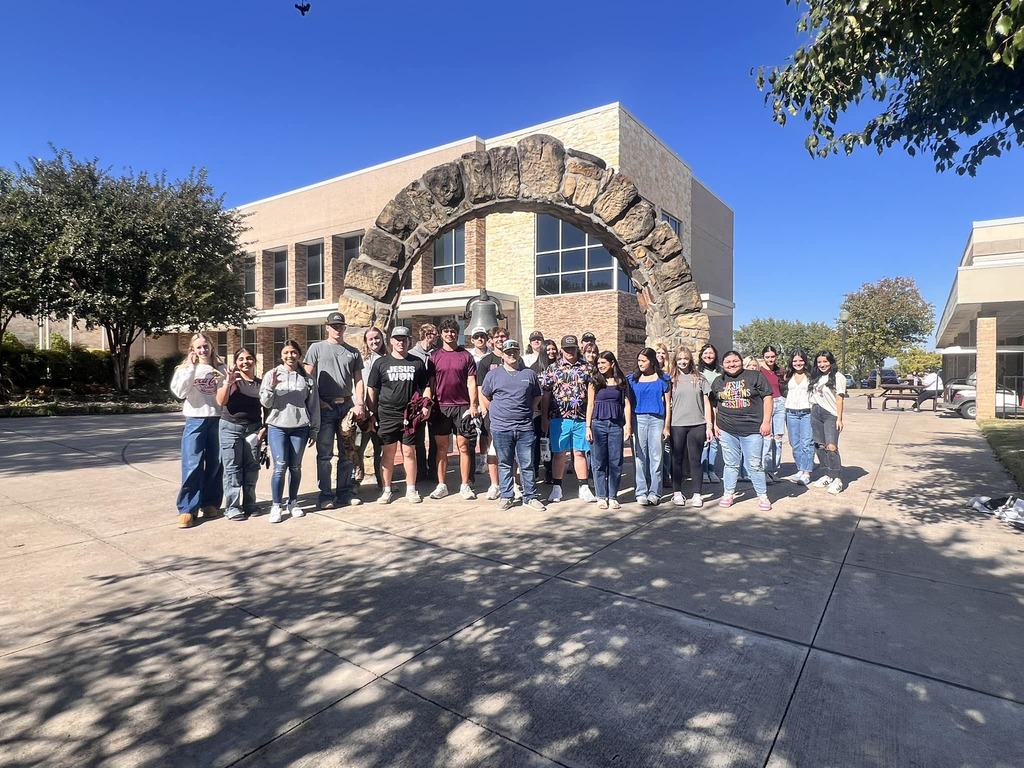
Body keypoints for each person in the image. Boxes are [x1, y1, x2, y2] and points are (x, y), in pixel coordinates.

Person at [303, 312, 365, 509]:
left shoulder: (353, 352)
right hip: (325, 408)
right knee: (325, 455)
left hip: (346, 407)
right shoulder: (316, 348)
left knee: (347, 453)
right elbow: (307, 378)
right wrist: (317, 401)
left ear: (344, 328)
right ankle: (325, 495)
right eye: (333, 325)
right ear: (327, 327)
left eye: (340, 325)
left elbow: (359, 380)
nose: (337, 329)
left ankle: (345, 492)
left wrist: (360, 403)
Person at [366, 326, 433, 504]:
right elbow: (372, 389)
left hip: (410, 416)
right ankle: (386, 490)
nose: (400, 342)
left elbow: (426, 386)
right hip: (386, 414)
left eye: (404, 339)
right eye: (397, 339)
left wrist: (427, 405)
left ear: (409, 340)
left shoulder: (417, 362)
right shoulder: (381, 363)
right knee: (388, 453)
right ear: (391, 341)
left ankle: (411, 489)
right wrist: (372, 413)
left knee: (409, 452)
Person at [480, 339, 546, 511]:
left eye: (515, 351)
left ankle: (530, 496)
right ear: (502, 355)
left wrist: (529, 409)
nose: (512, 354)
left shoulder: (529, 374)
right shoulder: (492, 375)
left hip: (525, 427)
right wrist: (494, 412)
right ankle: (507, 495)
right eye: (508, 352)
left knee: (527, 463)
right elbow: (485, 396)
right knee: (505, 464)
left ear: (518, 353)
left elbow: (537, 395)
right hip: (501, 427)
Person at [170, 332, 226, 529]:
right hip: (195, 418)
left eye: (206, 346)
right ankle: (187, 509)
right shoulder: (185, 369)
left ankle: (210, 503)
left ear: (212, 347)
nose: (203, 350)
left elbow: (226, 394)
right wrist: (192, 369)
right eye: (199, 347)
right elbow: (180, 393)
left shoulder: (222, 368)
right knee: (192, 463)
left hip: (217, 419)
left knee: (215, 463)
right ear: (192, 350)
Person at [261, 339, 320, 523]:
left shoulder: (307, 378)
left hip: (300, 428)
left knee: (295, 468)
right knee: (280, 468)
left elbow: (313, 405)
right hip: (277, 427)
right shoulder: (271, 374)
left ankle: (293, 502)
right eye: (286, 352)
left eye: (293, 352)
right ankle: (276, 505)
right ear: (281, 355)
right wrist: (271, 387)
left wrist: (314, 429)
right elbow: (265, 403)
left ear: (299, 354)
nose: (290, 356)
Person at [711, 350, 773, 511]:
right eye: (728, 362)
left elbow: (768, 397)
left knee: (755, 465)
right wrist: (715, 424)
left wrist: (766, 421)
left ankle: (762, 496)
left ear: (741, 361)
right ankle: (728, 493)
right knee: (730, 464)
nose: (732, 364)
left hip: (752, 429)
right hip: (727, 429)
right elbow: (713, 404)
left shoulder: (755, 376)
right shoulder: (718, 381)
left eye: (735, 361)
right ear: (723, 365)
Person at [428, 318, 480, 500]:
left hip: (462, 407)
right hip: (441, 408)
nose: (450, 334)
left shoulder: (466, 356)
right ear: (441, 334)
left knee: (464, 447)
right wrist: (428, 403)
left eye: (453, 331)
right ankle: (442, 485)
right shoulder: (434, 356)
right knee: (441, 448)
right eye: (446, 331)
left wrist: (473, 405)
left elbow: (472, 381)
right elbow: (431, 384)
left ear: (457, 334)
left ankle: (465, 485)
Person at [540, 335, 597, 503]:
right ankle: (557, 488)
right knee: (559, 454)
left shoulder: (587, 368)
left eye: (572, 348)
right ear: (561, 350)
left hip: (580, 418)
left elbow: (592, 396)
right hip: (559, 418)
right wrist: (544, 417)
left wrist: (589, 423)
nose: (570, 351)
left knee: (580, 452)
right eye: (566, 348)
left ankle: (584, 487)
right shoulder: (553, 369)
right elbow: (545, 394)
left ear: (577, 348)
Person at [216, 347, 265, 521]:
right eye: (241, 359)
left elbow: (267, 408)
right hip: (230, 429)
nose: (246, 362)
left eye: (249, 358)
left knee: (252, 468)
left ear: (254, 361)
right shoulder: (231, 381)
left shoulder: (261, 383)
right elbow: (221, 401)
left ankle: (250, 504)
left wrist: (263, 430)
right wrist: (227, 382)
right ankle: (232, 506)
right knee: (232, 469)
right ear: (236, 363)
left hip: (253, 430)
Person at [585, 351, 632, 509]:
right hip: (598, 424)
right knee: (598, 462)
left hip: (616, 425)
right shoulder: (594, 381)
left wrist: (628, 425)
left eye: (603, 363)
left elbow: (626, 404)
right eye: (599, 364)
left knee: (615, 462)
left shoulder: (621, 381)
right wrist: (588, 427)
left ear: (612, 363)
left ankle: (612, 496)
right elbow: (590, 405)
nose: (601, 366)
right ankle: (601, 496)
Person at [669, 346, 713, 507]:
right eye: (679, 358)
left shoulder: (700, 379)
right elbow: (666, 404)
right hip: (677, 425)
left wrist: (709, 426)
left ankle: (697, 494)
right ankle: (677, 492)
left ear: (690, 360)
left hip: (697, 424)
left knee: (695, 460)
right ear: (675, 360)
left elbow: (707, 404)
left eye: (685, 358)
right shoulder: (670, 379)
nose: (682, 361)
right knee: (677, 459)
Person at [628, 348, 672, 506]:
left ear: (652, 361)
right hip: (638, 419)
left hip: (657, 420)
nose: (640, 363)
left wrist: (667, 426)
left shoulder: (663, 379)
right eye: (638, 360)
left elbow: (668, 404)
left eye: (643, 361)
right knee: (640, 456)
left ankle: (655, 492)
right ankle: (641, 491)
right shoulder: (632, 379)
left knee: (656, 457)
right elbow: (627, 403)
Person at [476, 325, 510, 499]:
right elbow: (481, 389)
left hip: (512, 414)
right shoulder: (485, 362)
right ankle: (495, 484)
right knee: (493, 450)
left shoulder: (514, 359)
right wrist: (488, 409)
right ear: (491, 340)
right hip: (493, 414)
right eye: (497, 337)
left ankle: (512, 484)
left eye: (503, 336)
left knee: (511, 451)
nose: (500, 339)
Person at [809, 350, 847, 494]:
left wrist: (839, 418)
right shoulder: (816, 377)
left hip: (830, 414)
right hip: (816, 412)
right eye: (819, 362)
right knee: (820, 445)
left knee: (831, 446)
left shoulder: (838, 377)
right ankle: (826, 474)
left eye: (825, 361)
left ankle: (836, 478)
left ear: (831, 362)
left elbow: (839, 399)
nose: (822, 364)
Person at [356, 327, 386, 490]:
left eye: (377, 338)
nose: (375, 341)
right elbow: (365, 387)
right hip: (365, 414)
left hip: (383, 412)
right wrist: (367, 411)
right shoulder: (363, 362)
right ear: (366, 342)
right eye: (371, 339)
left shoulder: (388, 358)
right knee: (358, 449)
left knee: (380, 450)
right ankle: (354, 483)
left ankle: (382, 483)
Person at [782, 348, 815, 486]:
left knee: (807, 442)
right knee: (795, 443)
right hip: (791, 412)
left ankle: (807, 472)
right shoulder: (788, 376)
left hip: (807, 411)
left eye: (801, 360)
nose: (798, 363)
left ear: (805, 361)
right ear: (791, 362)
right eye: (795, 360)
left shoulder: (811, 375)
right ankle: (800, 468)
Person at [409, 323, 438, 481]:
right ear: (427, 335)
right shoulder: (412, 354)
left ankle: (433, 470)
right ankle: (420, 471)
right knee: (419, 438)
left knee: (434, 437)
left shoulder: (437, 354)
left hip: (435, 402)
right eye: (434, 334)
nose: (436, 337)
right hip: (418, 402)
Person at [759, 344, 786, 484]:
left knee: (778, 440)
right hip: (766, 404)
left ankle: (774, 470)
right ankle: (766, 471)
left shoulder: (780, 371)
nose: (770, 359)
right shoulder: (759, 371)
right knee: (767, 440)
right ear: (763, 357)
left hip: (780, 403)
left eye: (773, 357)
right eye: (767, 357)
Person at [698, 343, 723, 484]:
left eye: (711, 353)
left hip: (717, 409)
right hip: (701, 409)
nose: (708, 356)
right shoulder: (697, 372)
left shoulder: (721, 372)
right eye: (706, 353)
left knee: (714, 442)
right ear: (701, 356)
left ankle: (712, 471)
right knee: (704, 442)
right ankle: (703, 472)